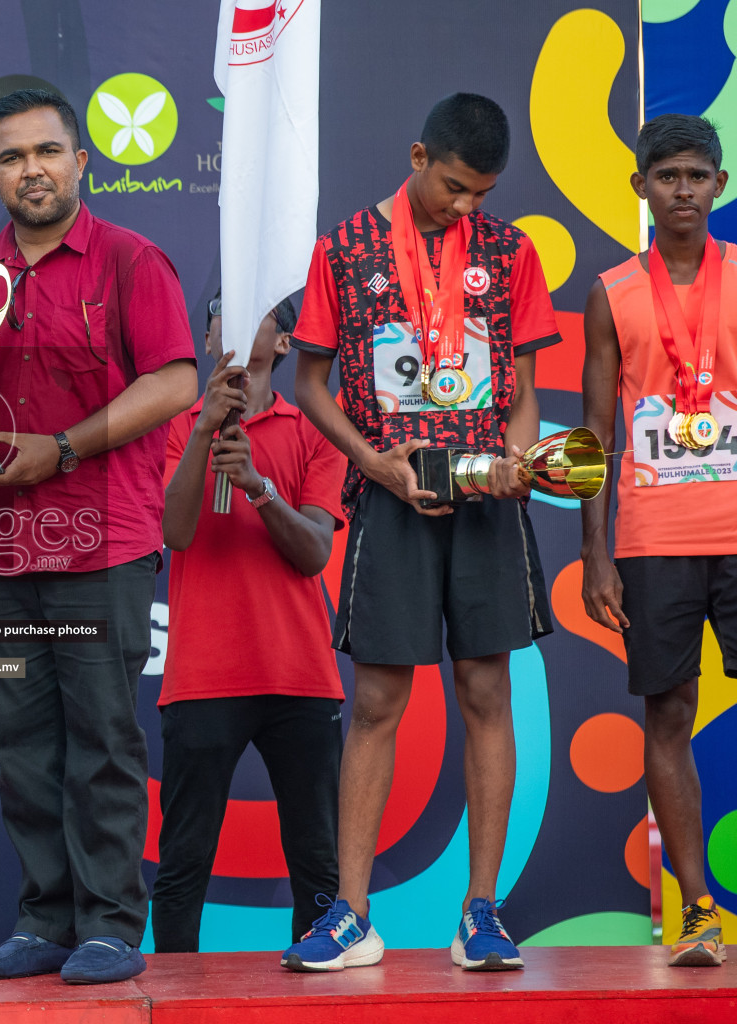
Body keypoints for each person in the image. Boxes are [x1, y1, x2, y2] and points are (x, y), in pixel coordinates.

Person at [282, 93, 559, 973]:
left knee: (486, 694)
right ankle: (351, 915)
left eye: (480, 192)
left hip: (484, 505)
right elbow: (311, 386)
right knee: (375, 702)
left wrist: (514, 464)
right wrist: (375, 463)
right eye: (453, 186)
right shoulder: (346, 247)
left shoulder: (511, 252)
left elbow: (520, 390)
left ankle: (482, 913)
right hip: (391, 497)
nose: (466, 206)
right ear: (416, 155)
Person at [0, 88, 196, 985]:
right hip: (3, 549)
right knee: (21, 741)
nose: (33, 171)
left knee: (101, 740)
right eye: (12, 159)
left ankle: (109, 926)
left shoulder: (131, 260)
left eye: (48, 153)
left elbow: (172, 382)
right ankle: (43, 920)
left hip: (104, 544)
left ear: (81, 161)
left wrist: (58, 449)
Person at [581, 113, 736, 968]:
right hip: (652, 541)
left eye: (697, 175)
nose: (683, 189)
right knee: (668, 714)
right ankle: (699, 913)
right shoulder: (612, 291)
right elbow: (594, 436)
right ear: (640, 186)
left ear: (719, 185)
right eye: (666, 174)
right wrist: (595, 553)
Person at [151, 295, 347, 951]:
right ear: (209, 342)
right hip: (204, 677)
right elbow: (175, 534)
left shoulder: (316, 431)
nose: (230, 322)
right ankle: (174, 999)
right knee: (182, 862)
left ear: (285, 343)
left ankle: (317, 986)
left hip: (300, 676)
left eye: (252, 311)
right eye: (218, 314)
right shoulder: (181, 428)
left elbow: (315, 551)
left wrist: (261, 490)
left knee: (319, 862)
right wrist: (205, 430)